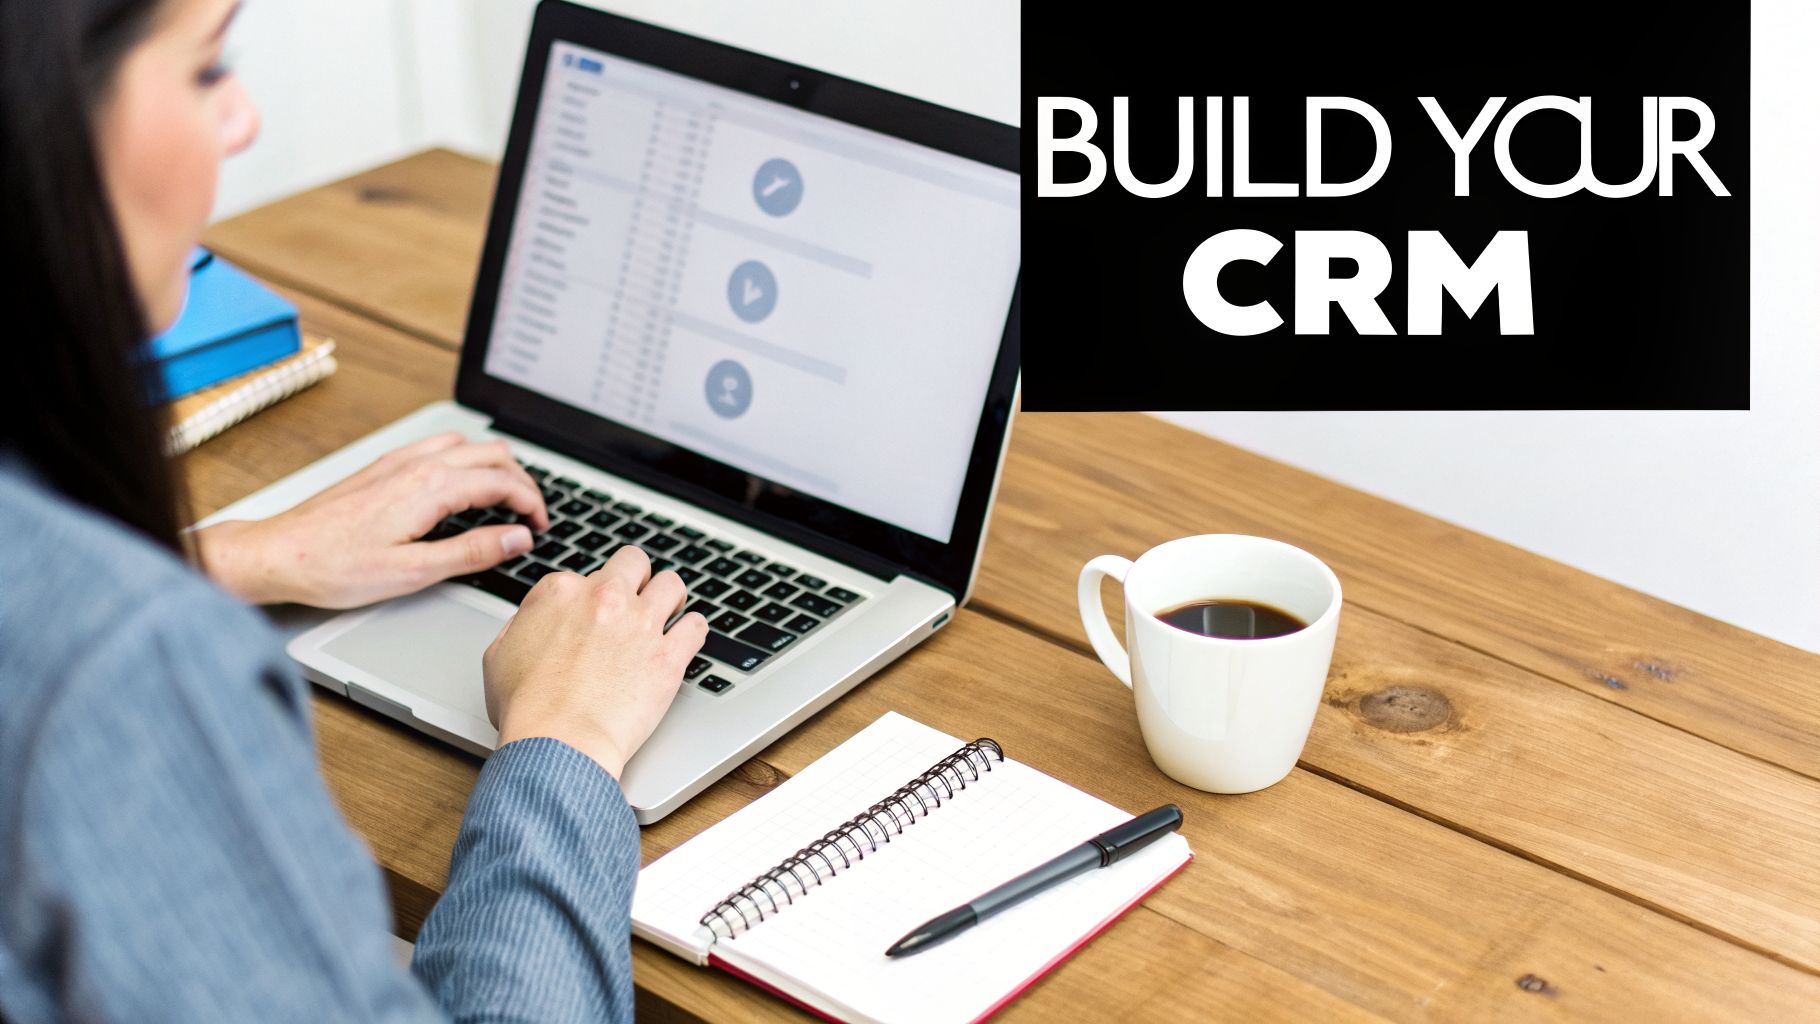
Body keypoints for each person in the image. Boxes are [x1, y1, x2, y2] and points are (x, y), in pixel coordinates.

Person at [0, 0, 710, 1019]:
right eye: (208, 68)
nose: (240, 120)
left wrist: (229, 556)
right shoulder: (130, 673)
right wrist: (566, 737)